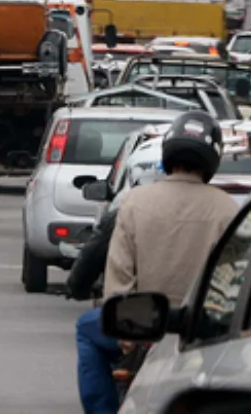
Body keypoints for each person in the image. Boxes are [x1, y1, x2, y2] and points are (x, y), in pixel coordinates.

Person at [74, 111, 239, 414]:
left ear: (168, 152)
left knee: (86, 328)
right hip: (202, 335)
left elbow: (119, 278)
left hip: (142, 327)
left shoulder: (135, 202)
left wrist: (127, 336)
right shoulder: (227, 210)